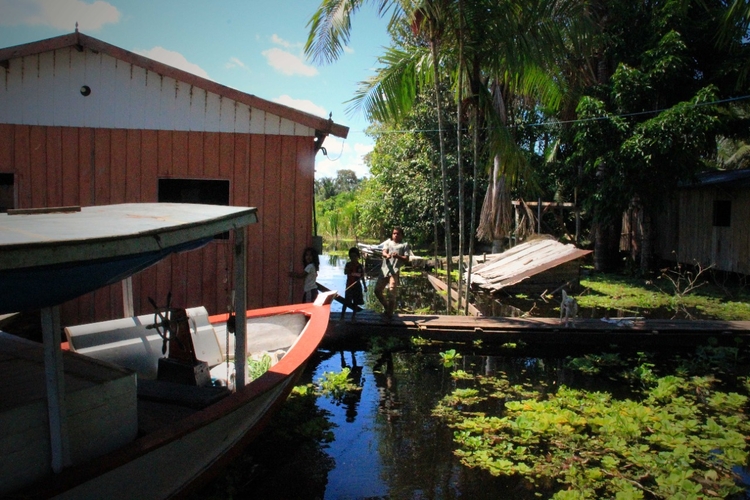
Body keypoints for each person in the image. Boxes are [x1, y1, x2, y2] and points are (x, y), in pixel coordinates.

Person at [375, 227, 413, 319]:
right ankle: (386, 307)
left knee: (391, 293)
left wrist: (398, 256)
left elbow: (407, 259)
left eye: (397, 234)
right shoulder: (388, 243)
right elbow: (384, 252)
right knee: (377, 290)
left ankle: (389, 315)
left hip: (394, 272)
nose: (395, 235)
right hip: (384, 270)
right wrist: (387, 255)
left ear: (401, 235)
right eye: (394, 233)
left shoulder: (404, 245)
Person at [341, 247, 367, 323]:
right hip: (349, 285)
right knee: (346, 301)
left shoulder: (360, 266)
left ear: (358, 257)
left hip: (357, 286)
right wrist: (349, 270)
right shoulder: (348, 264)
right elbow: (345, 272)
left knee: (356, 302)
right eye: (351, 256)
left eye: (355, 256)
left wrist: (365, 286)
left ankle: (353, 317)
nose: (353, 258)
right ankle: (342, 316)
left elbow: (362, 277)